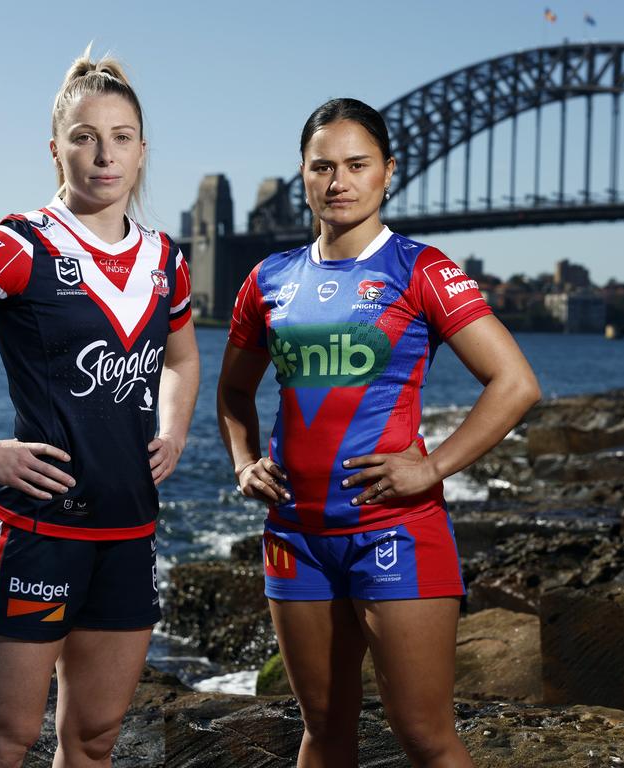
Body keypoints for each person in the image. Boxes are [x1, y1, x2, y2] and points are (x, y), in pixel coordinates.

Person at [0, 46, 199, 768]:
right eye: (84, 138)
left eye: (120, 138)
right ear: (57, 149)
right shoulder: (18, 244)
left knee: (93, 742)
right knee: (0, 744)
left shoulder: (166, 259)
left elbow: (181, 356)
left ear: (142, 151)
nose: (103, 155)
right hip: (37, 530)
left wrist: (174, 429)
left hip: (129, 533)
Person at [217, 98, 540, 768]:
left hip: (396, 530)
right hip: (295, 535)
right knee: (324, 731)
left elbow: (515, 385)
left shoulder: (420, 269)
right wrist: (245, 460)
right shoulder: (269, 278)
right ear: (303, 177)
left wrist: (432, 467)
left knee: (425, 737)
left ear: (388, 172)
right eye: (322, 166)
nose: (339, 180)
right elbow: (233, 391)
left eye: (357, 165)